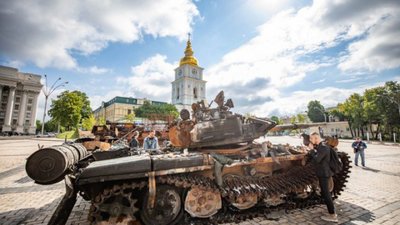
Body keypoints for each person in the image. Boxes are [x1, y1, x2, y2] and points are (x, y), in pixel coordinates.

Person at [308, 132, 338, 223]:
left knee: (326, 194)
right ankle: (331, 212)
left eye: (311, 138)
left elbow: (317, 159)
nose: (310, 140)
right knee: (325, 193)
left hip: (324, 174)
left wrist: (311, 150)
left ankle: (332, 215)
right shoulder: (322, 146)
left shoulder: (323, 147)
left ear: (316, 138)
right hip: (323, 173)